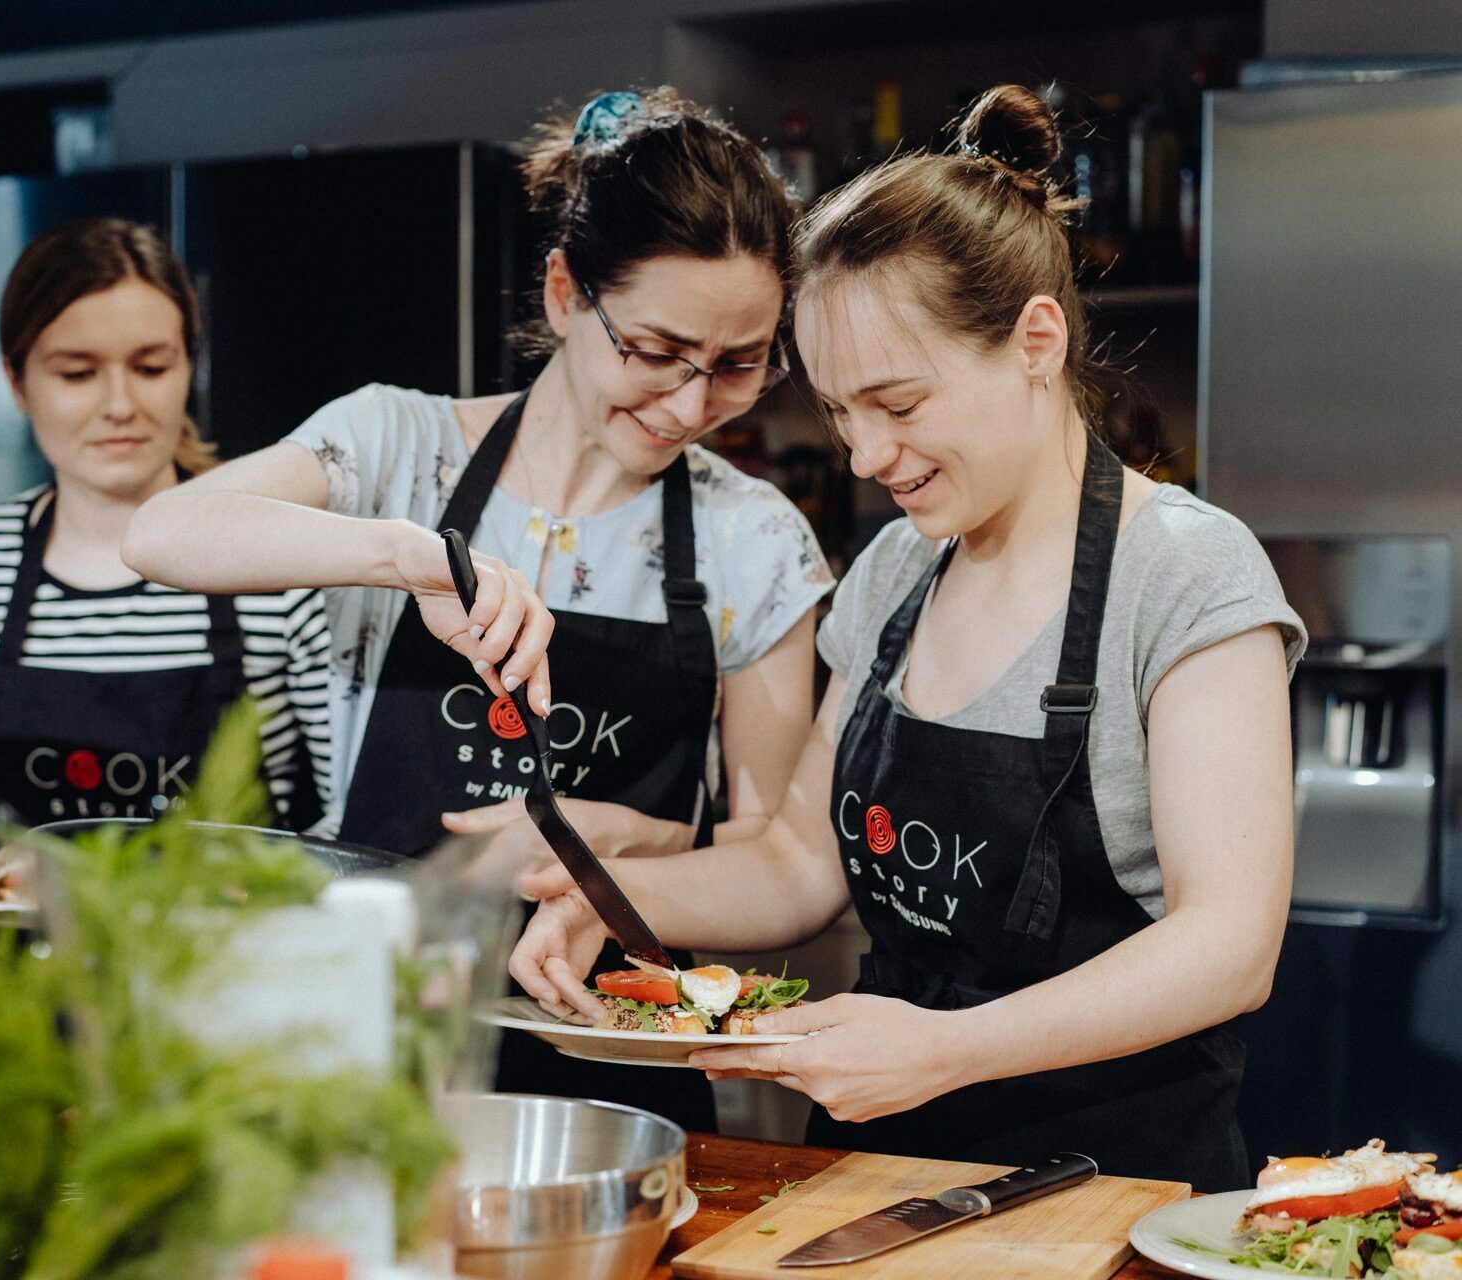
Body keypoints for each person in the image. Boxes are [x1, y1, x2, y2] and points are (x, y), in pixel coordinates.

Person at [510, 85, 1305, 1189]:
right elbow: (797, 860)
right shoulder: (895, 570)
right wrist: (606, 896)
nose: (866, 455)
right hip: (871, 1172)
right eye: (840, 411)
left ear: (1036, 339)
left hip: (1109, 1185)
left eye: (898, 402)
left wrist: (943, 1050)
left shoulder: (1187, 576)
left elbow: (1230, 947)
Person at [124, 88, 833, 1130]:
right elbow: (163, 534)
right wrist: (405, 555)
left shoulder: (755, 540)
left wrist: (630, 840)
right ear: (561, 294)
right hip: (360, 1040)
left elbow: (777, 856)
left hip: (616, 1066)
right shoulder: (396, 449)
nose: (692, 406)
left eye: (737, 365)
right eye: (655, 350)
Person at [0, 218, 331, 869]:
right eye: (77, 373)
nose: (120, 404)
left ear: (189, 367)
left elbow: (345, 814)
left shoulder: (284, 561)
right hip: (18, 962)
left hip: (230, 955)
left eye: (151, 366)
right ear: (17, 381)